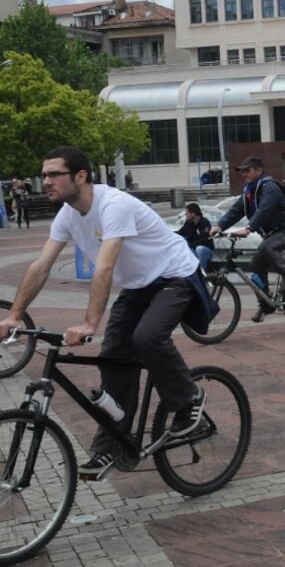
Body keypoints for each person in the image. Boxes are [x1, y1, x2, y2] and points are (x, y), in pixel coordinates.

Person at [0, 147, 206, 479]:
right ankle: (114, 445)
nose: (46, 181)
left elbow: (105, 267)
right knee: (112, 357)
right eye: (45, 174)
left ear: (80, 176)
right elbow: (41, 266)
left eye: (54, 174)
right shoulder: (67, 215)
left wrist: (89, 323)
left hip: (174, 275)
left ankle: (188, 397)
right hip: (138, 285)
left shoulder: (114, 205)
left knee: (147, 338)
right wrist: (14, 315)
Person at [211, 157, 285, 322]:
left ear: (259, 170)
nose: (244, 174)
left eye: (247, 170)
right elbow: (236, 210)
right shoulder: (250, 190)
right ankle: (266, 303)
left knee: (267, 248)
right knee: (256, 265)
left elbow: (265, 209)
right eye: (242, 171)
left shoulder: (270, 187)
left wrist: (248, 228)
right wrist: (220, 226)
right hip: (272, 234)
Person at [176, 203, 214, 271]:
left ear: (193, 214)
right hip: (193, 248)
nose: (185, 215)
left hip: (206, 250)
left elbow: (203, 241)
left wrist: (187, 244)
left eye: (187, 213)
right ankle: (190, 272)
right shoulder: (189, 222)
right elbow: (181, 232)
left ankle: (202, 273)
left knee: (199, 249)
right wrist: (168, 234)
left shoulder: (204, 223)